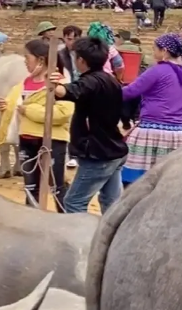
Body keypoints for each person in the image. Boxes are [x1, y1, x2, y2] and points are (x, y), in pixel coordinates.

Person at [50, 36, 127, 213]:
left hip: (98, 154)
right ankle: (112, 237)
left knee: (74, 202)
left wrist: (54, 84)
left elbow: (70, 91)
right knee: (112, 203)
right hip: (114, 150)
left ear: (81, 60)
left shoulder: (91, 81)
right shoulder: (111, 80)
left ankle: (79, 240)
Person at [0, 39, 73, 209]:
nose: (24, 62)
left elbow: (61, 114)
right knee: (31, 188)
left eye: (27, 57)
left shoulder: (60, 83)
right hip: (26, 140)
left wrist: (28, 110)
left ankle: (66, 221)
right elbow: (15, 109)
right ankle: (33, 222)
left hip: (53, 141)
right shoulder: (22, 84)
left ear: (40, 60)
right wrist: (6, 107)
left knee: (57, 187)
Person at [120, 34, 182, 186]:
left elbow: (129, 92)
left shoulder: (157, 71)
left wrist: (103, 89)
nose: (153, 53)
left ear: (165, 51)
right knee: (166, 183)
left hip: (150, 132)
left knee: (135, 183)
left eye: (155, 49)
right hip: (176, 135)